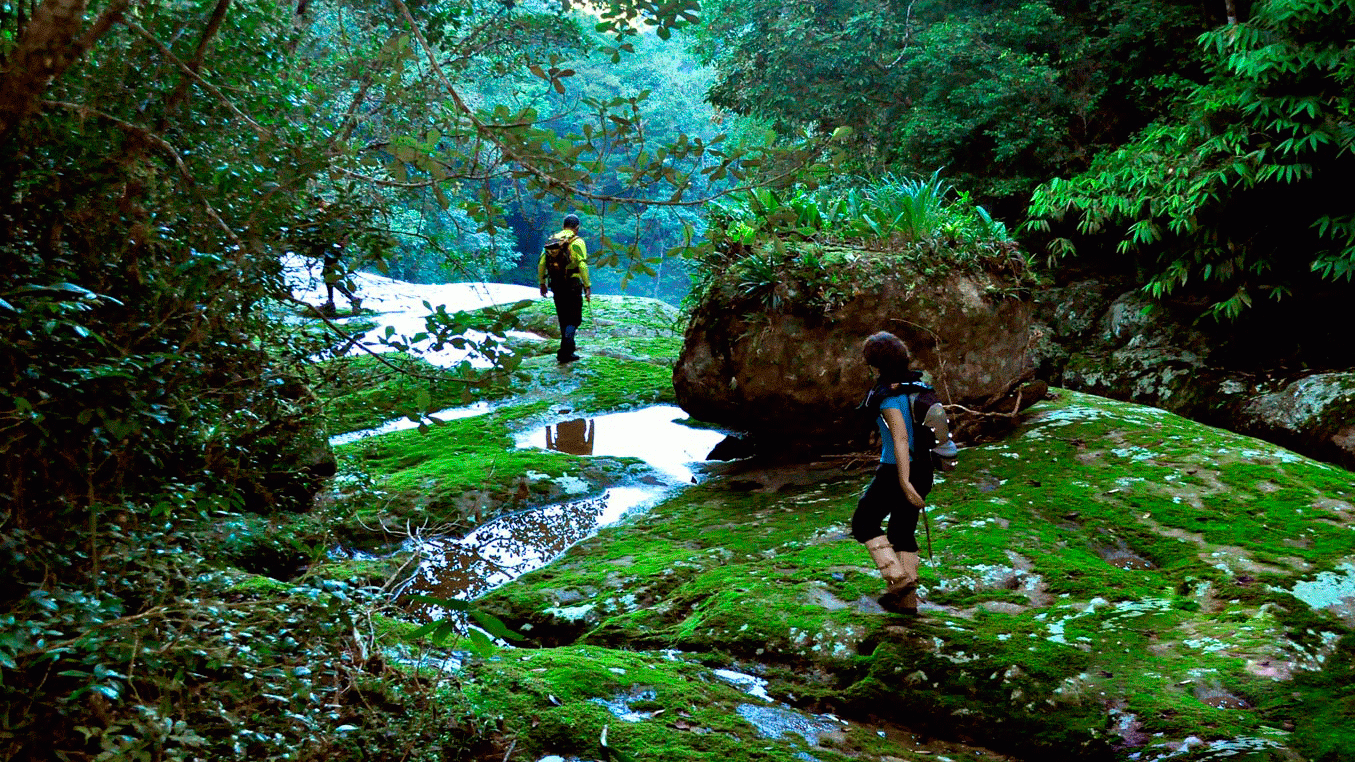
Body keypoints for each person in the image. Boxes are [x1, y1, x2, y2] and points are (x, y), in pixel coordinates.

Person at [853, 331, 955, 615]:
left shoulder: (888, 395)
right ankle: (907, 606)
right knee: (902, 531)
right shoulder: (918, 386)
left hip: (897, 470)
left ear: (874, 365)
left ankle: (899, 583)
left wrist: (903, 480)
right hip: (924, 468)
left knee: (863, 522)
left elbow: (900, 439)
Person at [538, 213, 592, 363]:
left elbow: (541, 264)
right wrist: (587, 286)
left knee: (563, 318)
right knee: (574, 320)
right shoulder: (577, 241)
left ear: (563, 226)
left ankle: (565, 353)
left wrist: (542, 283)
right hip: (573, 284)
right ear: (577, 228)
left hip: (556, 284)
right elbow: (582, 264)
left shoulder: (552, 241)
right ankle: (567, 347)